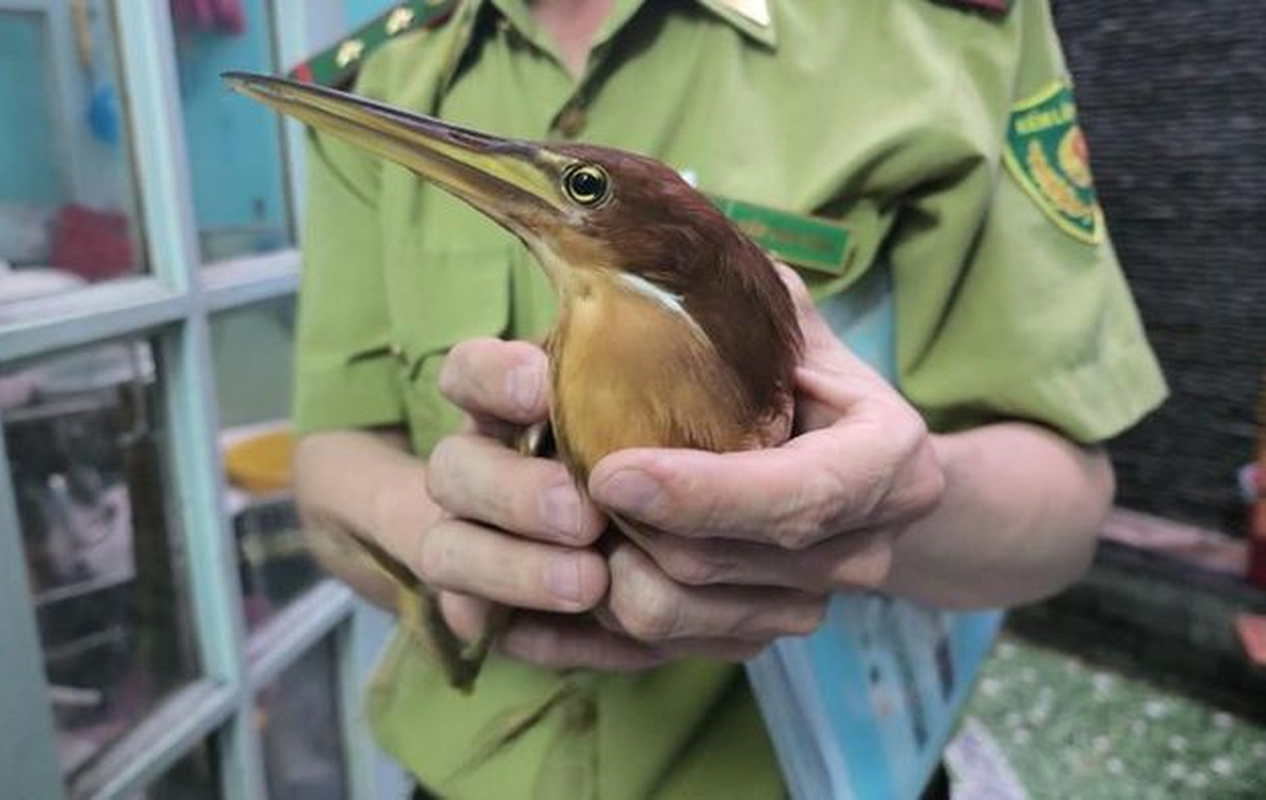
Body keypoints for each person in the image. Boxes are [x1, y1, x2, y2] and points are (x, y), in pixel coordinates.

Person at [290, 0, 1167, 796]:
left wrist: (877, 509)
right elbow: (330, 454)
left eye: (581, 190)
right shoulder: (385, 70)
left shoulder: (937, 30)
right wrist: (467, 550)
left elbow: (1067, 512)